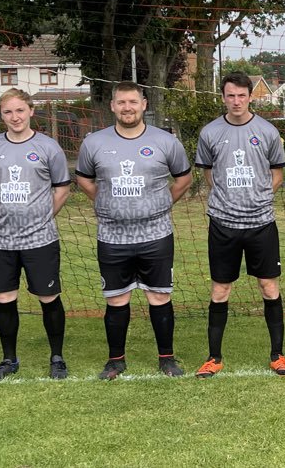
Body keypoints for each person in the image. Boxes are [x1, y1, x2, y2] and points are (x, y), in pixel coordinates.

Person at [74, 81, 192, 380]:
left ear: (144, 104)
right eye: (121, 102)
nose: (127, 107)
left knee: (159, 297)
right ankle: (115, 360)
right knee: (116, 299)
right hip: (113, 237)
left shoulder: (165, 141)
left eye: (133, 102)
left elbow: (183, 178)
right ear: (112, 106)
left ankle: (167, 358)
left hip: (156, 235)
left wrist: (161, 204)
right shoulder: (94, 142)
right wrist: (106, 203)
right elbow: (85, 180)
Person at [191, 72, 285, 378]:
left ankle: (277, 355)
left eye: (241, 95)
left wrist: (262, 196)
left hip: (261, 222)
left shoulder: (267, 131)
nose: (236, 101)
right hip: (223, 223)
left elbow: (278, 172)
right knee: (221, 289)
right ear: (223, 97)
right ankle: (213, 358)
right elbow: (208, 173)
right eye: (230, 95)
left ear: (251, 97)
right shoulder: (210, 132)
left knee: (268, 285)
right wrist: (226, 196)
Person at [0, 88, 73, 381]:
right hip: (2, 238)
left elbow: (62, 188)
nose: (14, 117)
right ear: (0, 115)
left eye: (20, 110)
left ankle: (56, 357)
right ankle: (8, 359)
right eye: (7, 112)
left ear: (31, 111)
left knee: (48, 295)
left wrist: (41, 216)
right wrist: (7, 210)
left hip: (40, 238)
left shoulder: (48, 147)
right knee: (4, 297)